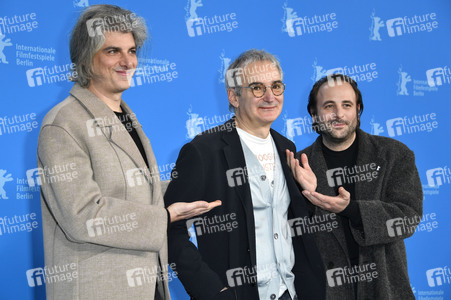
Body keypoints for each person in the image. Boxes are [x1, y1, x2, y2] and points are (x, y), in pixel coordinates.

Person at [37, 5, 220, 300]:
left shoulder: (126, 117)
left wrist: (198, 184)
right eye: (113, 51)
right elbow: (83, 215)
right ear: (86, 57)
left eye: (132, 51)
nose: (127, 62)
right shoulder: (63, 123)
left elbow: (135, 192)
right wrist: (165, 216)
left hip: (149, 287)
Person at [164, 49, 326, 300]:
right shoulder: (203, 151)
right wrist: (212, 291)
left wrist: (309, 198)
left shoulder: (288, 149)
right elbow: (170, 231)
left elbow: (289, 225)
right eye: (257, 88)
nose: (270, 97)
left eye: (276, 86)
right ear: (234, 96)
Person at [286, 74, 423, 299]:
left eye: (347, 105)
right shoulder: (297, 165)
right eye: (329, 106)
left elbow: (407, 218)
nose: (339, 114)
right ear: (313, 113)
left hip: (384, 289)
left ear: (358, 110)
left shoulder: (394, 155)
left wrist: (350, 209)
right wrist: (307, 200)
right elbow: (288, 233)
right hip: (324, 291)